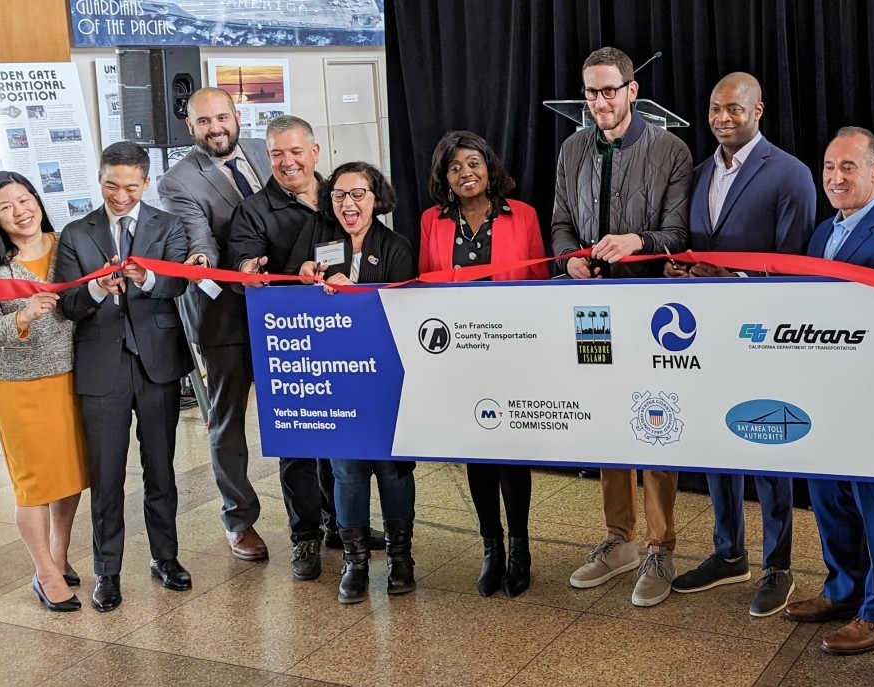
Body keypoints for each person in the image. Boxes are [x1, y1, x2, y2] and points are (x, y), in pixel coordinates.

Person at [666, 72, 815, 617]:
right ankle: (728, 553)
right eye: (714, 109)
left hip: (764, 339)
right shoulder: (699, 173)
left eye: (734, 108)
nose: (722, 117)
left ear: (758, 111)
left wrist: (728, 280)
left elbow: (794, 270)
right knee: (715, 444)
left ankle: (779, 565)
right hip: (707, 340)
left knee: (767, 446)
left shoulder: (791, 175)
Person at [551, 46, 692, 607]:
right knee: (607, 416)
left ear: (632, 91)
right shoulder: (571, 148)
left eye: (610, 90)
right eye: (591, 92)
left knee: (653, 418)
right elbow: (561, 222)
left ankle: (661, 546)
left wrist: (639, 242)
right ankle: (620, 540)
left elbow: (679, 236)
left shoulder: (671, 150)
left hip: (649, 307)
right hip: (591, 307)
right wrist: (569, 261)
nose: (601, 102)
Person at [782, 127, 874, 654]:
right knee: (827, 496)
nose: (836, 178)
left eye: (848, 168)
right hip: (823, 390)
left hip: (872, 390)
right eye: (828, 168)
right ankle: (843, 589)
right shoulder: (822, 233)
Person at [56, 142, 193, 612]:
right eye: (111, 185)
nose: (120, 195)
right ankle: (107, 571)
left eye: (131, 187)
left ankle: (166, 557)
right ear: (99, 179)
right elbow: (68, 306)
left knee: (161, 468)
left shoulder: (168, 226)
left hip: (157, 364)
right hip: (102, 369)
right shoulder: (76, 233)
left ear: (146, 183)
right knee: (107, 475)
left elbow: (177, 284)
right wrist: (94, 289)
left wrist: (145, 279)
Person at [419, 130, 548, 598]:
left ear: (489, 167)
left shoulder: (524, 216)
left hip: (513, 351)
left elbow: (538, 284)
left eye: (473, 163)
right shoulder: (432, 221)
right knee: (476, 449)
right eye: (455, 167)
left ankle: (521, 549)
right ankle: (491, 549)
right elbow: (424, 290)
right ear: (444, 177)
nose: (465, 173)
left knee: (511, 454)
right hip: (459, 354)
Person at [287, 161, 418, 602]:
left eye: (358, 194)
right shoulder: (317, 238)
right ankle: (355, 562)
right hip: (336, 378)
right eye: (340, 195)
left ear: (376, 198)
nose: (349, 203)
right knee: (346, 471)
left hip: (386, 378)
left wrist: (356, 291)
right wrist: (303, 277)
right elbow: (288, 293)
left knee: (393, 470)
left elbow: (401, 309)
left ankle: (401, 559)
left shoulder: (396, 245)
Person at [0, 172, 87, 612]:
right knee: (34, 484)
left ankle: (60, 555)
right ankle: (44, 572)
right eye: (6, 206)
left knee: (69, 475)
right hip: (21, 387)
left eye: (25, 199)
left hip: (74, 378)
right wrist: (25, 316)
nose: (21, 211)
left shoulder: (68, 244)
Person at [157, 87, 272, 563]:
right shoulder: (178, 181)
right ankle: (239, 519)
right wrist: (202, 259)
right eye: (204, 122)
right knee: (227, 420)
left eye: (222, 117)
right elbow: (198, 236)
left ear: (237, 115)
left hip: (285, 306)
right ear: (191, 126)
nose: (216, 128)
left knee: (306, 405)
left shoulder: (269, 150)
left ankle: (324, 512)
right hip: (224, 311)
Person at [225, 115, 336, 581]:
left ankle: (344, 524)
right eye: (276, 154)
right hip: (289, 342)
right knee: (297, 443)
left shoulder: (342, 193)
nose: (287, 161)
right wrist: (252, 269)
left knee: (343, 436)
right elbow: (243, 269)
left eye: (295, 151)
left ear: (315, 151)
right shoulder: (254, 210)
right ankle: (304, 535)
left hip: (345, 336)